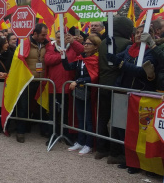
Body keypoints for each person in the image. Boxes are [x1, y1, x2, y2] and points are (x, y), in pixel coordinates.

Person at [106, 25, 156, 173]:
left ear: (150, 35)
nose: (140, 35)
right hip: (123, 91)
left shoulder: (150, 52)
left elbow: (140, 72)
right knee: (121, 127)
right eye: (138, 32)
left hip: (139, 95)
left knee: (136, 130)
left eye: (143, 33)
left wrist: (120, 63)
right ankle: (127, 158)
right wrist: (112, 48)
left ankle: (137, 162)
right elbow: (116, 58)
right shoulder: (129, 49)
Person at [96, 16, 134, 162]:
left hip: (102, 84)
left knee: (103, 118)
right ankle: (115, 153)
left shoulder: (104, 42)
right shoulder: (127, 43)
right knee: (118, 121)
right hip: (118, 86)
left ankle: (101, 149)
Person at [62, 35, 100, 155]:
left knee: (88, 119)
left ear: (95, 47)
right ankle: (80, 141)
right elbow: (68, 67)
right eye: (85, 43)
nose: (85, 45)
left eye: (88, 44)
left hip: (89, 93)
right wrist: (63, 55)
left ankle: (88, 144)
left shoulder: (95, 59)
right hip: (79, 93)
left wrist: (78, 81)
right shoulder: (80, 59)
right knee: (80, 117)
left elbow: (94, 76)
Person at [44, 30, 84, 145]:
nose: (60, 39)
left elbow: (83, 51)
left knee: (67, 112)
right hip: (54, 85)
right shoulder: (51, 47)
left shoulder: (73, 47)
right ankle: (53, 133)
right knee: (54, 113)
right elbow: (48, 60)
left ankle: (67, 134)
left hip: (68, 86)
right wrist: (62, 55)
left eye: (63, 37)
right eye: (57, 37)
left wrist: (73, 42)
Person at [15, 23, 50, 143]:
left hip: (43, 81)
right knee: (24, 106)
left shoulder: (48, 44)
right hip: (28, 80)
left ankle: (44, 130)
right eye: (42, 35)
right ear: (35, 33)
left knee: (41, 106)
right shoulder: (25, 43)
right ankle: (20, 131)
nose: (45, 37)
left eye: (46, 35)